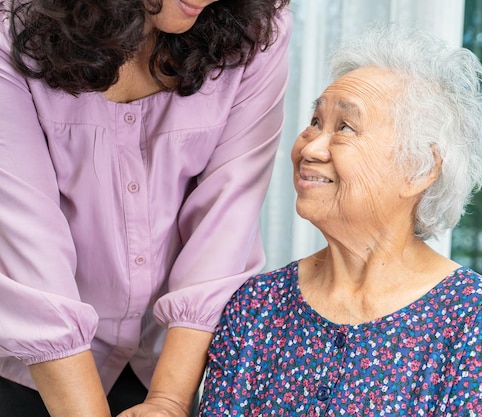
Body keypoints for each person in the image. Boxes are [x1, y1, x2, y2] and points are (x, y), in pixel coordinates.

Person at [196, 24, 482, 416]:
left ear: (419, 170)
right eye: (316, 122)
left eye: (345, 128)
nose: (311, 147)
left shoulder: (472, 316)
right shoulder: (258, 305)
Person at [0, 0, 291, 416]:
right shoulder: (12, 29)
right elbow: (27, 238)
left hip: (166, 360)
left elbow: (226, 221)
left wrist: (169, 403)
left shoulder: (256, 28)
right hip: (34, 364)